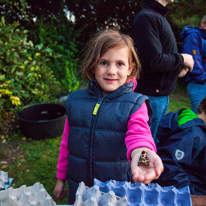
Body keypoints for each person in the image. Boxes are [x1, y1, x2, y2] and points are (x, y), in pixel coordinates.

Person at [53, 29, 164, 204]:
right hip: (79, 188)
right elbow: (67, 144)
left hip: (115, 192)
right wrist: (61, 178)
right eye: (104, 62)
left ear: (130, 69)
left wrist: (143, 156)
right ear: (93, 65)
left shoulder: (135, 104)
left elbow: (140, 135)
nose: (111, 71)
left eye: (120, 64)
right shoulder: (75, 101)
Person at [130, 0, 194, 144]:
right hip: (150, 97)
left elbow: (160, 56)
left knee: (150, 144)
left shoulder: (157, 16)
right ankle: (139, 167)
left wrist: (177, 68)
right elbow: (152, 61)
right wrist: (182, 58)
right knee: (143, 146)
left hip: (159, 97)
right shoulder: (146, 18)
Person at [154, 97, 206, 195]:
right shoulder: (193, 133)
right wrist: (188, 193)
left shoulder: (196, 128)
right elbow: (169, 165)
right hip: (188, 193)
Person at [180, 15, 206, 114]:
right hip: (199, 84)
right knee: (199, 120)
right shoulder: (193, 36)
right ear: (203, 23)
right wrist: (204, 78)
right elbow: (192, 62)